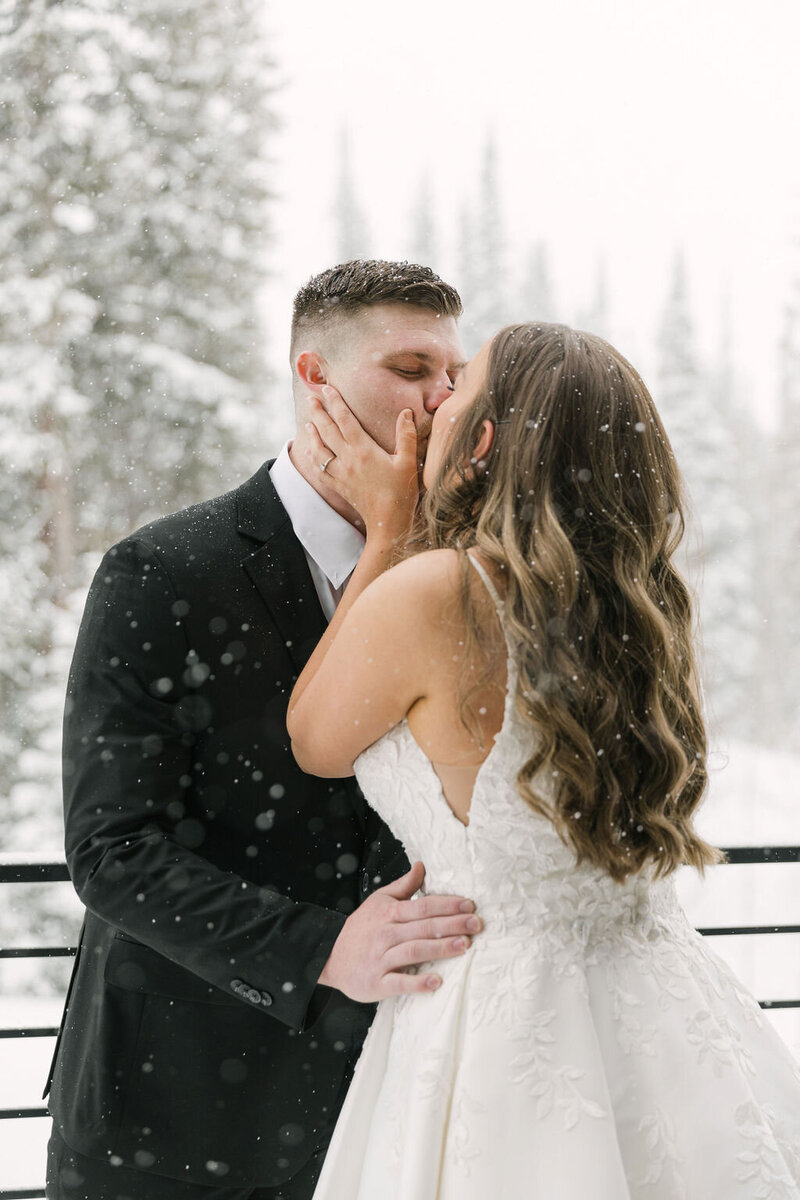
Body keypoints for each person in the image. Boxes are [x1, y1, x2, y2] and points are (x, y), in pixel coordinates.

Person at [288, 322, 800, 1199]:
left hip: (501, 1013)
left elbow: (314, 740)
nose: (436, 403)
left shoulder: (434, 587)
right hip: (663, 999)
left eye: (459, 392)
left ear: (483, 442)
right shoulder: (638, 603)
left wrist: (385, 533)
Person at [44, 259, 483, 1200]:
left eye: (453, 374)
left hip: (404, 1106)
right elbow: (113, 849)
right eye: (411, 368)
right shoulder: (161, 572)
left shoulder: (465, 578)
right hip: (178, 1112)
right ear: (315, 377)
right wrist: (324, 950)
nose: (442, 396)